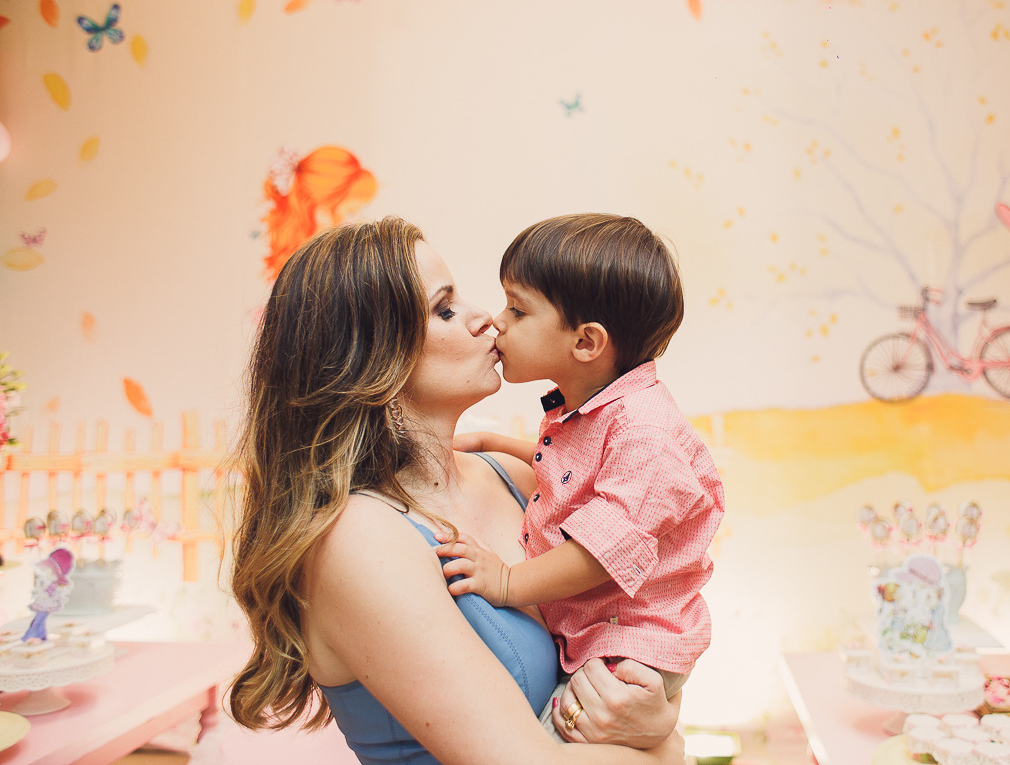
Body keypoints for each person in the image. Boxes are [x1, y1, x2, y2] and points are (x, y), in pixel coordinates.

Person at [227, 217, 684, 765]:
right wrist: (666, 749)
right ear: (373, 358)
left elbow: (633, 630)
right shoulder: (356, 540)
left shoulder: (514, 481)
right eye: (444, 308)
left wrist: (656, 717)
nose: (484, 318)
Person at [447, 214, 724, 736]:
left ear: (586, 343)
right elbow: (579, 478)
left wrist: (506, 582)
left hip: (633, 646)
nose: (497, 321)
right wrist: (494, 443)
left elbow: (601, 553)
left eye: (518, 309)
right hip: (606, 636)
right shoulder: (604, 409)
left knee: (562, 737)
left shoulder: (645, 431)